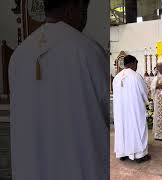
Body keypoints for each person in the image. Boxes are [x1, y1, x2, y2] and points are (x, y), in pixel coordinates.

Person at [9, 0, 109, 179]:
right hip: (79, 164)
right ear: (73, 8)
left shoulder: (19, 54)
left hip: (33, 165)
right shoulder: (88, 50)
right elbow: (105, 108)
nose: (84, 19)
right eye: (84, 11)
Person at [113, 55, 151, 163]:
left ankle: (123, 153)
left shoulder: (117, 77)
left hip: (121, 112)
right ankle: (140, 155)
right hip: (135, 110)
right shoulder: (136, 76)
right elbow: (145, 92)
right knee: (137, 128)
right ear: (133, 63)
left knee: (123, 129)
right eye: (136, 64)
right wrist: (146, 100)